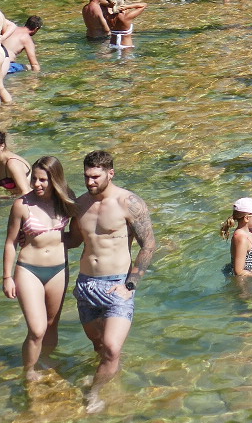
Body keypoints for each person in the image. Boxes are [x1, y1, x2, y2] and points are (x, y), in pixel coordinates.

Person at [72, 149, 155, 413]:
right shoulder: (80, 204)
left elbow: (149, 245)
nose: (89, 182)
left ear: (111, 173)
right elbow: (74, 241)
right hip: (85, 285)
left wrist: (131, 285)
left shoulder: (129, 202)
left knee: (110, 348)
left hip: (117, 285)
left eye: (95, 177)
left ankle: (93, 393)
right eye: (86, 176)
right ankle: (111, 377)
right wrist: (36, 239)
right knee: (98, 346)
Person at [2, 155, 77, 382]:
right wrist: (7, 277)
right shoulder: (22, 205)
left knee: (52, 325)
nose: (37, 184)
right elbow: (10, 243)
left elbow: (77, 234)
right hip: (29, 270)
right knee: (37, 329)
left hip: (59, 270)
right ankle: (29, 372)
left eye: (43, 180)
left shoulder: (67, 201)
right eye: (34, 179)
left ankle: (45, 360)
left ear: (55, 180)